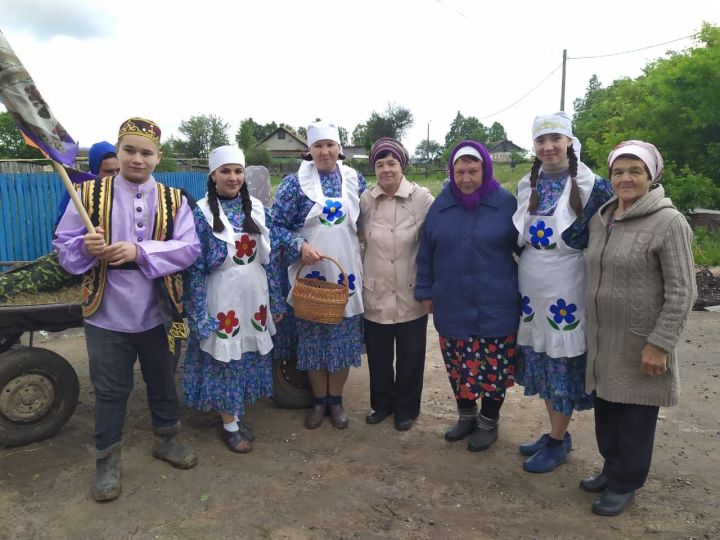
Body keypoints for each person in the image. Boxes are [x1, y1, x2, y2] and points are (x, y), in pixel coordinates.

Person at [54, 117, 200, 502]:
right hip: (106, 312)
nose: (137, 159)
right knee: (109, 390)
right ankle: (106, 460)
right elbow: (65, 249)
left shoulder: (174, 199)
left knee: (164, 378)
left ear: (158, 157)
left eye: (146, 152)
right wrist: (84, 248)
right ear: (117, 153)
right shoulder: (88, 196)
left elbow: (189, 248)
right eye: (129, 150)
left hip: (161, 311)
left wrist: (140, 251)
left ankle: (167, 439)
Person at [582, 141, 696, 516]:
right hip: (603, 340)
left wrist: (660, 344)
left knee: (635, 418)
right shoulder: (603, 218)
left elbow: (683, 290)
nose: (626, 178)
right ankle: (611, 467)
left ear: (652, 176)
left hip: (640, 343)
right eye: (618, 171)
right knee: (608, 413)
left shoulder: (668, 222)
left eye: (635, 171)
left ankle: (626, 481)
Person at [512, 112, 613, 473]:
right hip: (532, 282)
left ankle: (558, 439)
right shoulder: (527, 185)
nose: (548, 146)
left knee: (561, 361)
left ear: (570, 142)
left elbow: (611, 234)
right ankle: (555, 432)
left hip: (567, 283)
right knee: (542, 356)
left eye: (556, 138)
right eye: (541, 140)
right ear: (534, 147)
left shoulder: (596, 186)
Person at [415, 140, 519, 451]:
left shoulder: (504, 203)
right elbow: (426, 252)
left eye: (473, 171)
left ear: (485, 169)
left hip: (497, 302)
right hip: (452, 300)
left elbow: (526, 248)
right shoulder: (442, 206)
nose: (466, 178)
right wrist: (424, 290)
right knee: (458, 363)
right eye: (460, 171)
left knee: (493, 367)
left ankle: (489, 422)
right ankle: (466, 417)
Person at [182, 145, 279, 453]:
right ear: (213, 175)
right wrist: (197, 313)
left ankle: (234, 415)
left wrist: (275, 301)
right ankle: (229, 425)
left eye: (238, 171)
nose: (233, 177)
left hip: (254, 296)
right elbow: (194, 268)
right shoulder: (201, 212)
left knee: (245, 358)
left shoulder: (258, 209)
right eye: (225, 171)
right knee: (225, 360)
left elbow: (270, 259)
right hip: (222, 297)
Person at [270, 121, 366, 429]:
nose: (325, 151)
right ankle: (318, 401)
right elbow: (276, 226)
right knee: (312, 339)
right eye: (318, 146)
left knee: (343, 338)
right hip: (310, 273)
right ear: (308, 151)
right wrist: (299, 245)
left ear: (340, 149)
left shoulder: (355, 180)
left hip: (345, 271)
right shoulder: (293, 184)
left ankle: (335, 402)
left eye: (330, 145)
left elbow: (367, 221)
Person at [359, 137, 434, 431]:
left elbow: (435, 242)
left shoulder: (422, 199)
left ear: (402, 164)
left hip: (410, 289)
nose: (386, 169)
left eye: (392, 163)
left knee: (410, 356)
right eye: (380, 164)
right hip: (375, 290)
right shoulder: (365, 199)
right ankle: (381, 404)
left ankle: (406, 408)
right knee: (378, 357)